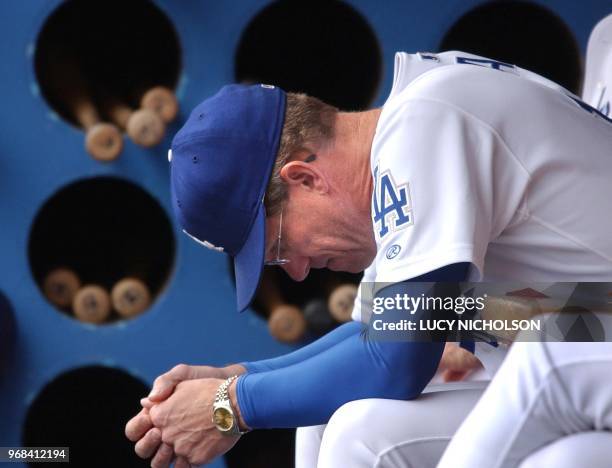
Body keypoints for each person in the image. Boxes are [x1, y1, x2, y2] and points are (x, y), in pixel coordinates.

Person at [125, 50, 612, 468]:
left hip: (590, 348)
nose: (296, 270)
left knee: (363, 433)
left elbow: (394, 360)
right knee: (334, 416)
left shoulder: (425, 122)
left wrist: (227, 407)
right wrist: (238, 377)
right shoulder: (406, 130)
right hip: (589, 323)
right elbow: (376, 330)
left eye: (277, 249)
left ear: (304, 179)